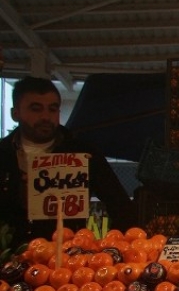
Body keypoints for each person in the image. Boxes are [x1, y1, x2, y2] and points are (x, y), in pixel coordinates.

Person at [0, 76, 136, 251]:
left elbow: (121, 205)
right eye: (36, 109)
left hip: (69, 260)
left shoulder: (84, 153)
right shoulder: (3, 154)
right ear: (15, 113)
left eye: (52, 109)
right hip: (11, 257)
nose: (45, 117)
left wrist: (117, 249)